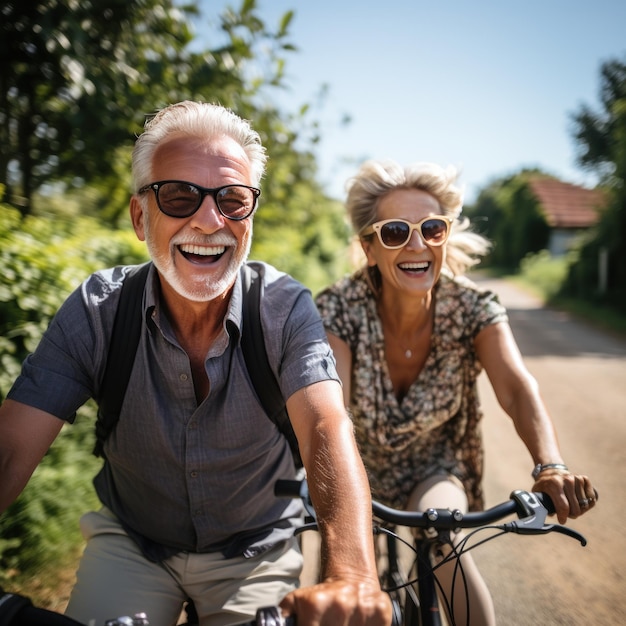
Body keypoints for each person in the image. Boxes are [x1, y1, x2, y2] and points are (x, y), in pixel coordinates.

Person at [0, 102, 392, 626]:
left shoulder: (284, 307)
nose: (210, 222)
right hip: (133, 543)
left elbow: (324, 424)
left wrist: (353, 576)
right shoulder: (98, 311)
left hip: (254, 549)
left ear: (250, 218)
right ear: (141, 216)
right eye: (180, 196)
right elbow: (11, 444)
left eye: (233, 200)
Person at [315, 159, 599, 626]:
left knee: (442, 535)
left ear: (444, 235)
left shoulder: (471, 305)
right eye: (394, 233)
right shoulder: (338, 308)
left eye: (431, 228)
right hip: (353, 470)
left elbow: (515, 387)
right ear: (369, 248)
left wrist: (551, 465)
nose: (417, 244)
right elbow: (333, 408)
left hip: (436, 468)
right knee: (342, 588)